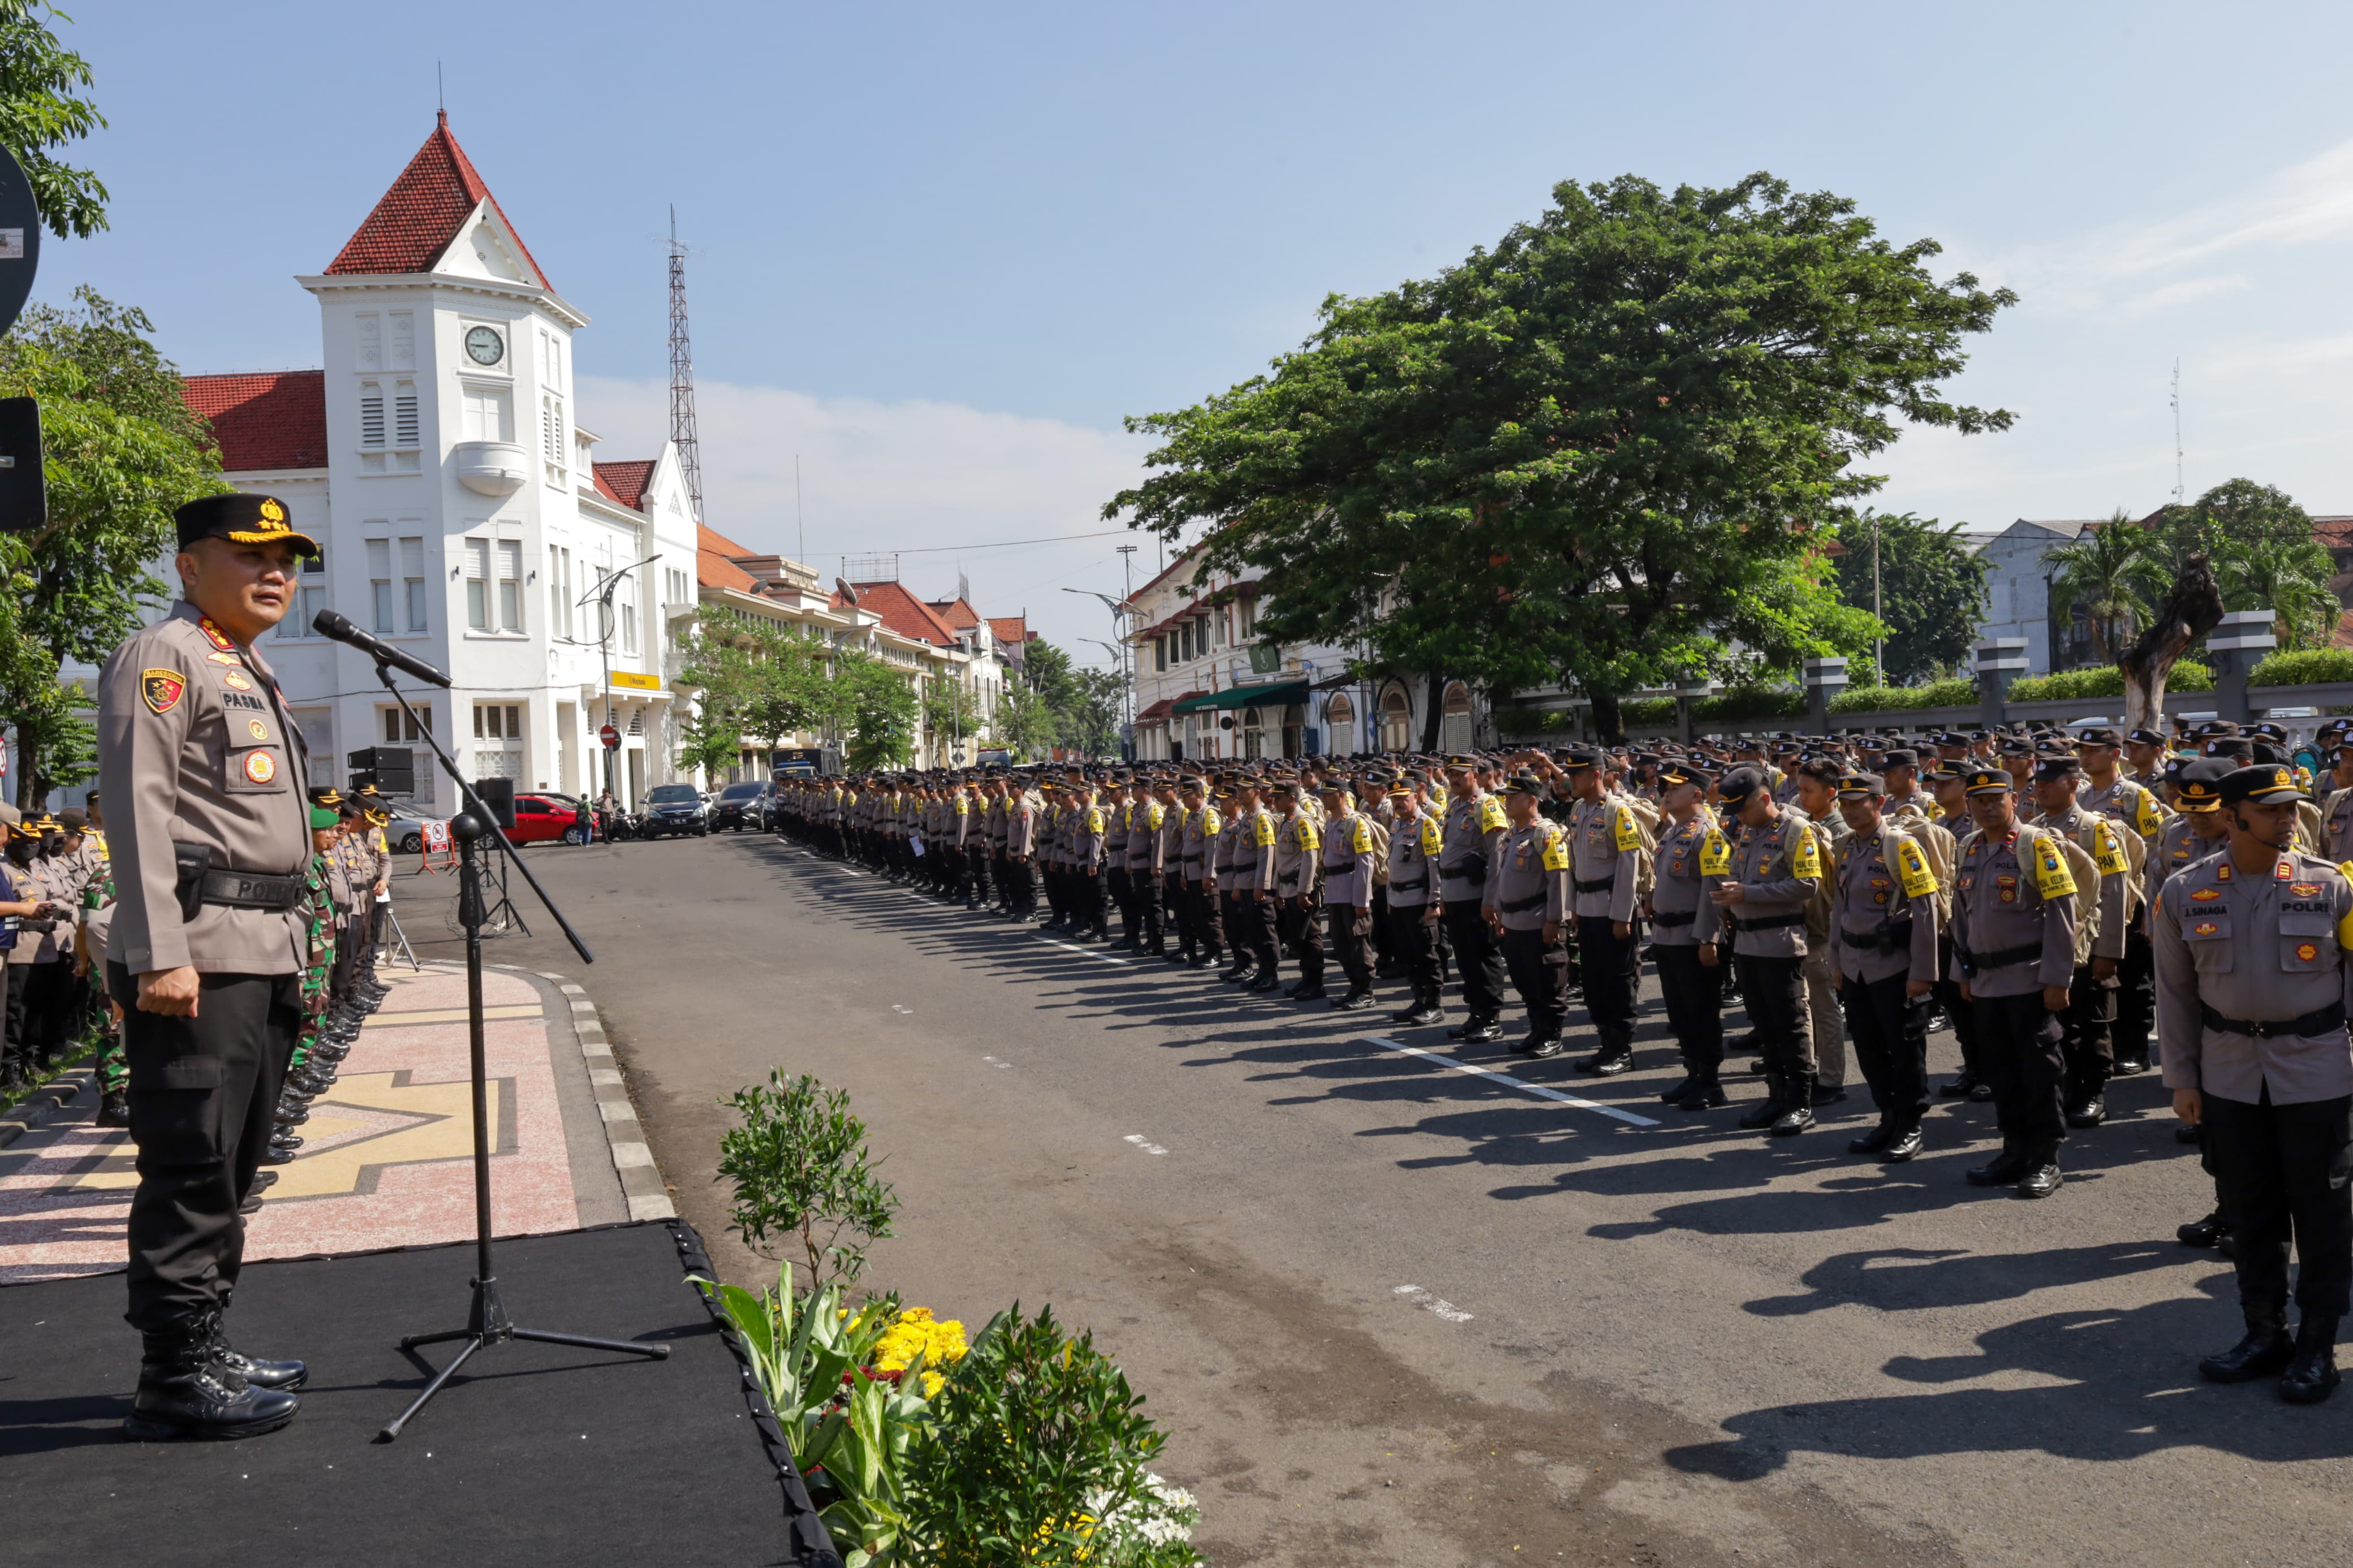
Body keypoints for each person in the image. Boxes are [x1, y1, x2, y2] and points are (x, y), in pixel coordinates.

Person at [97, 493, 313, 1441]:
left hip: (262, 952)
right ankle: (174, 1369)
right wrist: (157, 953)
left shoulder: (246, 665)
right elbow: (138, 807)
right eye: (252, 553)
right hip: (199, 953)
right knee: (190, 1165)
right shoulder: (165, 657)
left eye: (290, 558)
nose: (277, 572)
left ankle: (208, 1337)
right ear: (191, 565)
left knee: (233, 1161)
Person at [2155, 762, 2353, 1404]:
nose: (2286, 819)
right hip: (2230, 1075)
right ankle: (2262, 1333)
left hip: (2317, 1071)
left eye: (2290, 808)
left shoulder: (2332, 888)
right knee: (2248, 1211)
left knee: (2321, 1215)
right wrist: (2182, 1078)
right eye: (2270, 810)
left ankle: (2316, 1346)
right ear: (2234, 814)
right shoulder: (2185, 890)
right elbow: (2175, 995)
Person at [1950, 764, 2079, 1200]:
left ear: (2014, 800)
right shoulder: (1967, 847)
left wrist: (2058, 978)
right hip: (1986, 981)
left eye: (1996, 799)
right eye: (1979, 800)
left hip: (2029, 979)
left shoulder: (2035, 844)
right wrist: (1961, 974)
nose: (1988, 807)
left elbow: (2064, 910)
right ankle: (2014, 1150)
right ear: (1969, 804)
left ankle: (2045, 1157)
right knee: (2001, 1073)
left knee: (2040, 1073)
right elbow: (1960, 917)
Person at [1829, 771, 1942, 1161]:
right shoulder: (1844, 845)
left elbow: (1926, 908)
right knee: (1869, 1046)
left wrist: (1923, 972)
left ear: (1878, 803)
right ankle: (1888, 1115)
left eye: (1856, 802)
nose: (1848, 810)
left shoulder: (1901, 845)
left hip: (1893, 965)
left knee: (1905, 1047)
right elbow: (1839, 908)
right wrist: (1836, 960)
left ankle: (1911, 1123)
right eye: (1843, 803)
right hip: (1856, 963)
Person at [1712, 766, 1824, 1135]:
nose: (1738, 818)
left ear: (1764, 798)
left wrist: (1749, 894)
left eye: (1742, 810)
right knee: (1765, 1025)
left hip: (1780, 943)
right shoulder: (1746, 832)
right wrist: (1734, 890)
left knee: (1790, 1024)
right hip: (1747, 944)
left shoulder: (1797, 830)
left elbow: (1807, 884)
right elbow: (1745, 875)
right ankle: (1776, 1096)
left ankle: (1800, 1101)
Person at [1649, 762, 1728, 1109]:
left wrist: (1708, 938)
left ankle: (1710, 1083)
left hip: (1691, 936)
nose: (1666, 792)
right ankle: (1693, 1073)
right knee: (1679, 1012)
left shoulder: (1708, 834)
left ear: (1697, 793)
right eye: (1664, 787)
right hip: (1666, 935)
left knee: (1700, 1011)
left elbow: (1714, 890)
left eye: (1674, 788)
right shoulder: (1674, 831)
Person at [1485, 775, 1573, 1055]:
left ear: (1532, 801)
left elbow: (1558, 878)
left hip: (1538, 921)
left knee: (1547, 981)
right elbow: (1503, 878)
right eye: (1506, 797)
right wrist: (1499, 912)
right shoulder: (1510, 834)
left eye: (1514, 797)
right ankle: (1537, 1030)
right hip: (1514, 922)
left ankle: (1552, 1035)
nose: (1507, 801)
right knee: (1524, 981)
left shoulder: (1546, 833)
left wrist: (1554, 920)